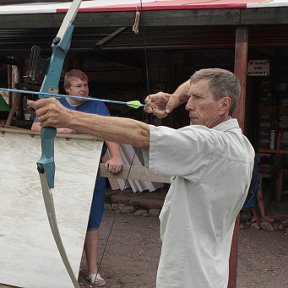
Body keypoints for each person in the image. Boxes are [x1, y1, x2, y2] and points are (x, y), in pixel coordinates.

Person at [29, 68, 255, 288]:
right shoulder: (242, 145)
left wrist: (67, 117)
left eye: (197, 98)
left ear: (224, 105)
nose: (188, 104)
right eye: (189, 97)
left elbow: (141, 134)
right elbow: (197, 81)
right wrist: (172, 101)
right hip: (209, 271)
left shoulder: (208, 143)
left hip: (188, 276)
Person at [31, 69, 123, 287]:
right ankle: (59, 268)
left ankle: (92, 272)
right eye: (79, 86)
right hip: (61, 171)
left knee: (92, 222)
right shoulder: (55, 103)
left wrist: (116, 156)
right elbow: (35, 126)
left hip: (90, 171)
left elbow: (110, 132)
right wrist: (60, 128)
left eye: (86, 85)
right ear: (67, 89)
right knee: (60, 220)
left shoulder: (97, 106)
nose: (85, 89)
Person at [243, 154, 274, 223]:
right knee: (251, 197)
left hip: (255, 180)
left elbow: (259, 157)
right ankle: (255, 216)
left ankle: (262, 216)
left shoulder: (255, 157)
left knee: (259, 197)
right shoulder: (247, 158)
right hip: (250, 180)